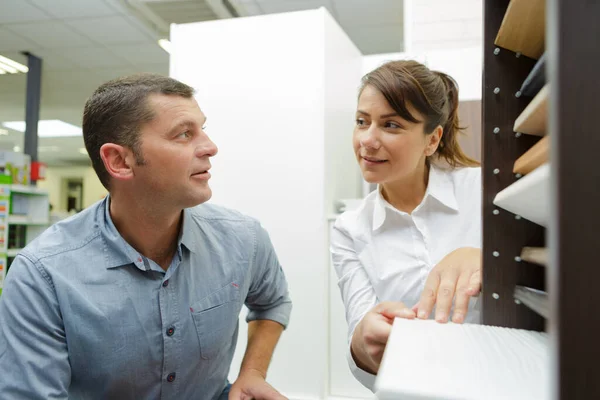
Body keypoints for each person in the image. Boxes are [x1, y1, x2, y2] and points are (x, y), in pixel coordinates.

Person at [0, 74, 291, 400]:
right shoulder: (42, 274)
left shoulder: (244, 239)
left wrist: (252, 372)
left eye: (203, 129)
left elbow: (273, 302)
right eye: (184, 134)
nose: (210, 148)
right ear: (120, 160)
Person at [330, 60, 481, 389]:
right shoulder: (349, 230)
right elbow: (360, 344)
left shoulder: (481, 193)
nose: (367, 140)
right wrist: (364, 341)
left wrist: (486, 257)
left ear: (432, 140)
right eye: (361, 121)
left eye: (391, 125)